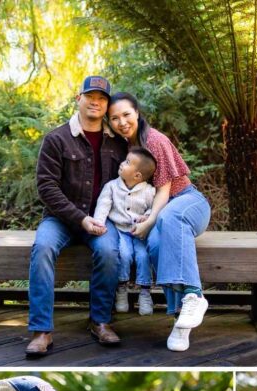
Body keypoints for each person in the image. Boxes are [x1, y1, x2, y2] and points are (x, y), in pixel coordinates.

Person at [26, 75, 124, 358]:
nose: (96, 102)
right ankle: (42, 330)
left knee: (108, 252)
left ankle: (100, 322)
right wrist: (79, 219)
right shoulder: (56, 139)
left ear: (107, 106)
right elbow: (46, 186)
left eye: (102, 98)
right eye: (90, 96)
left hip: (102, 219)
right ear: (78, 99)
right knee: (43, 247)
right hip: (61, 218)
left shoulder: (116, 143)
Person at [106, 92, 211, 352]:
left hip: (186, 203)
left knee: (169, 217)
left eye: (126, 115)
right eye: (115, 118)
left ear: (138, 113)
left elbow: (164, 191)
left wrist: (149, 220)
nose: (122, 122)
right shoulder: (124, 147)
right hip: (158, 213)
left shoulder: (154, 140)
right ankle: (181, 322)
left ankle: (194, 296)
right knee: (155, 246)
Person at [93, 147, 157, 316]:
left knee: (143, 256)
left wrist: (147, 216)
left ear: (137, 176)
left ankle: (145, 292)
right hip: (120, 230)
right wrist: (99, 223)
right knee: (124, 254)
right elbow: (103, 205)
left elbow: (154, 209)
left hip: (140, 233)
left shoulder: (149, 191)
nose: (122, 163)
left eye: (127, 162)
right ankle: (121, 289)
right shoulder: (112, 187)